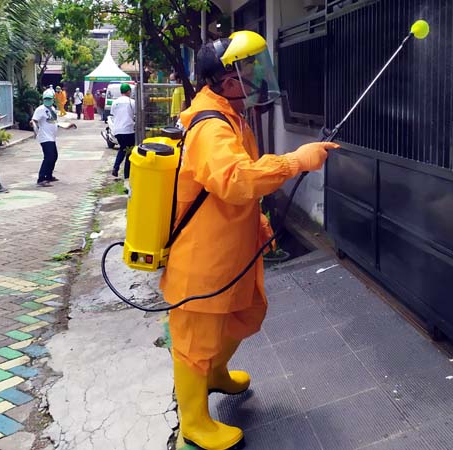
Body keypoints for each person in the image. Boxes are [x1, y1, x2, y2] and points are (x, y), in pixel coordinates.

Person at [159, 31, 338, 449]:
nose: (257, 72)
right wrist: (295, 160)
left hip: (231, 251)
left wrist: (257, 224)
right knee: (194, 341)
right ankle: (195, 422)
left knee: (244, 313)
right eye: (247, 66)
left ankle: (216, 374)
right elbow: (235, 179)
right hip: (202, 259)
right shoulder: (210, 126)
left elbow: (241, 186)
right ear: (223, 79)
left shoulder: (231, 115)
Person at [31, 90, 59, 187]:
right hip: (44, 137)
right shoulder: (40, 109)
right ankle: (41, 178)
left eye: (49, 99)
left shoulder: (52, 109)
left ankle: (49, 175)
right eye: (46, 99)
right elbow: (34, 120)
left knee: (54, 156)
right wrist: (35, 129)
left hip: (52, 137)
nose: (48, 101)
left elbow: (55, 121)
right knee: (48, 157)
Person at [109, 84, 135, 179]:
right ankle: (126, 175)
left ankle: (116, 167)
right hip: (128, 130)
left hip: (117, 131)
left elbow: (113, 114)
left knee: (123, 148)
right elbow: (136, 114)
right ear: (128, 91)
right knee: (129, 151)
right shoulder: (131, 102)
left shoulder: (115, 102)